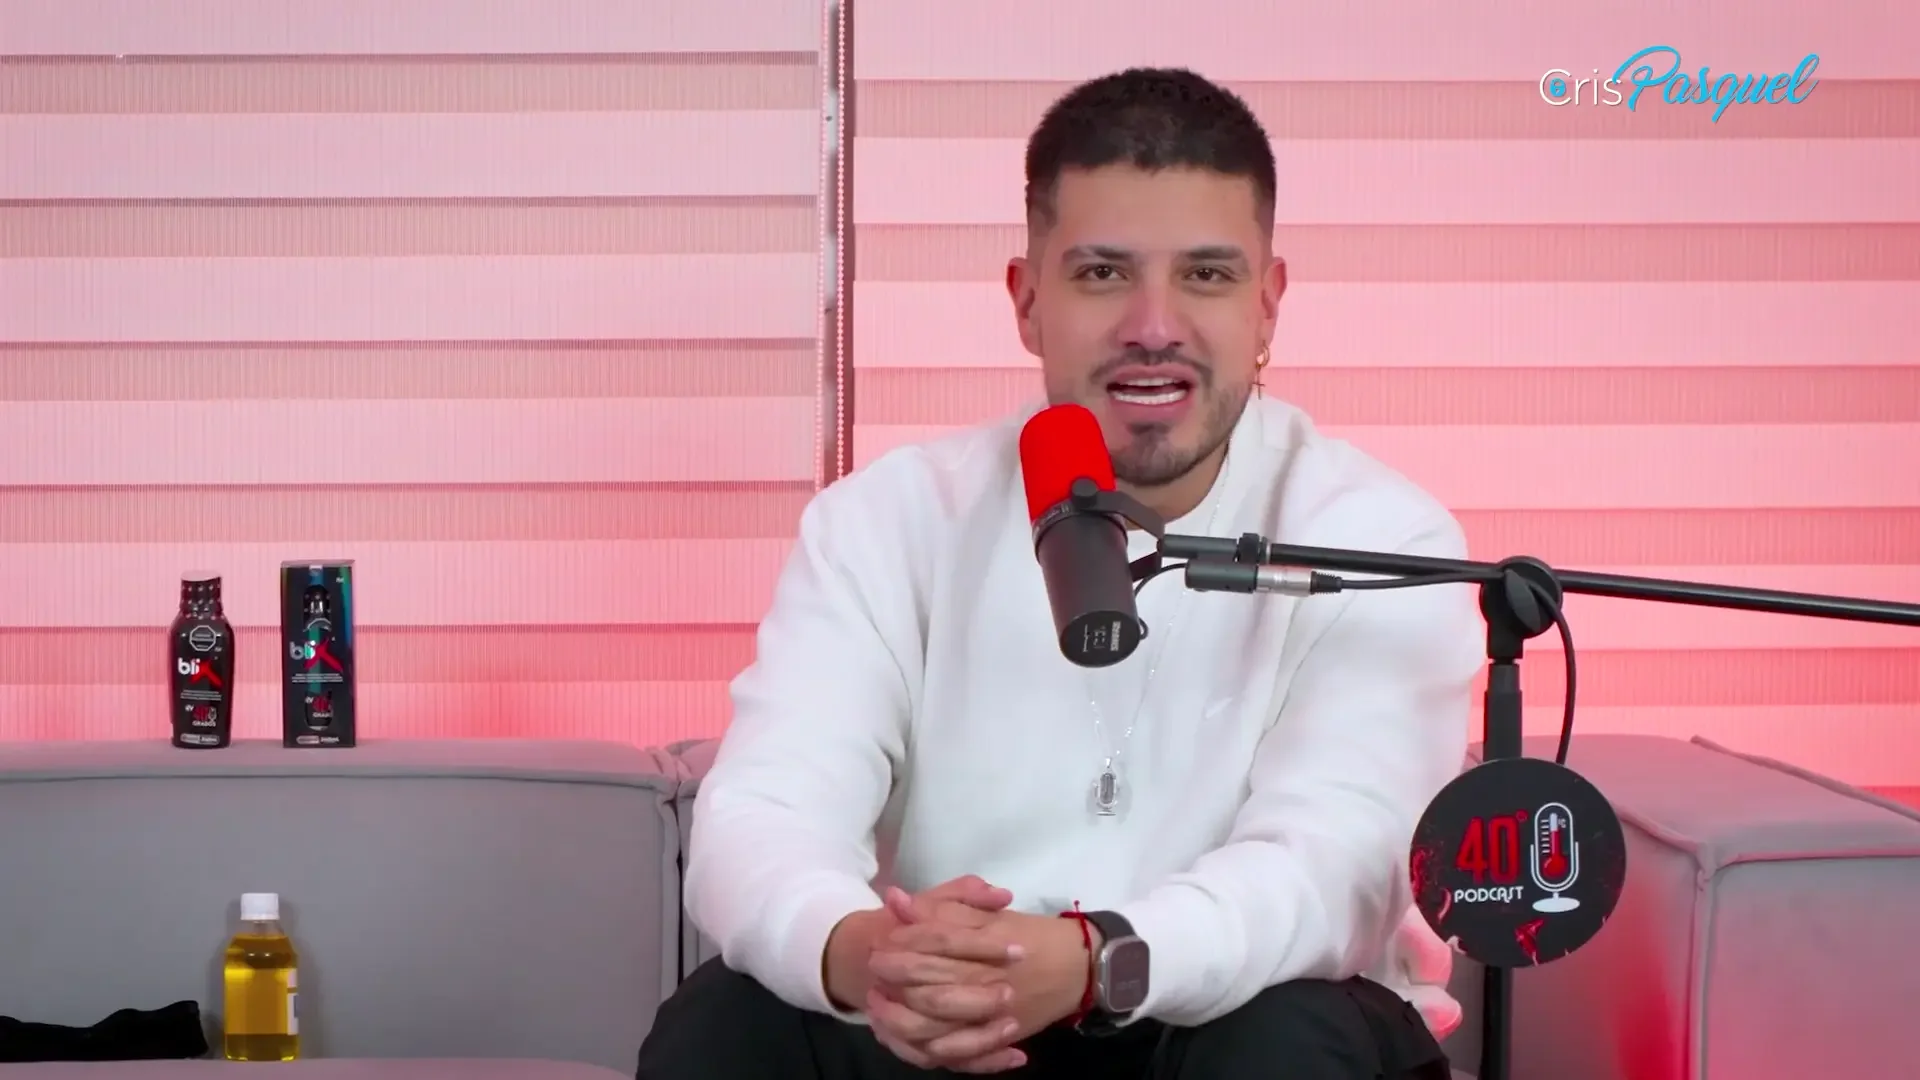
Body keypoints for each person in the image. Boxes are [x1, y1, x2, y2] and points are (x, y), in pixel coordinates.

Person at [636, 67, 1483, 1080]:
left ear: (1267, 305)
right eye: (1103, 274)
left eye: (1207, 276)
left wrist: (1093, 962)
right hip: (952, 1030)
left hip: (1229, 1020)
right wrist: (865, 957)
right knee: (728, 1020)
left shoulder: (1379, 537)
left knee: (1286, 1036)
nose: (1154, 325)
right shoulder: (888, 520)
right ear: (1028, 301)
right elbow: (765, 814)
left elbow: (1331, 872)